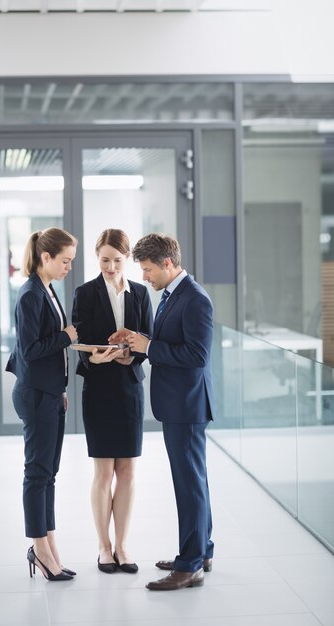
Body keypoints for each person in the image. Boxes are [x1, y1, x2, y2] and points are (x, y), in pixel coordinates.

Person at [110, 233, 215, 591]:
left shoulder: (196, 299)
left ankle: (190, 566)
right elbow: (168, 342)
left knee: (189, 485)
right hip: (179, 403)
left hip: (187, 405)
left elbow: (197, 357)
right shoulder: (173, 294)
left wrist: (150, 345)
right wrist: (137, 340)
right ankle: (202, 551)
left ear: (168, 264)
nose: (145, 277)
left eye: (149, 269)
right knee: (194, 481)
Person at [72, 228, 153, 574]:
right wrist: (99, 357)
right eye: (104, 260)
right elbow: (80, 341)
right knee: (103, 471)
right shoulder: (85, 293)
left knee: (128, 470)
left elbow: (148, 338)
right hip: (100, 387)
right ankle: (104, 547)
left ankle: (122, 545)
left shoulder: (140, 294)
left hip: (130, 387)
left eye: (117, 260)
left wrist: (131, 355)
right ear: (97, 258)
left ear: (126, 259)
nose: (110, 266)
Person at [6, 227, 78, 582]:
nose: (68, 267)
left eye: (71, 262)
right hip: (35, 395)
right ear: (45, 257)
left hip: (49, 392)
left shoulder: (47, 290)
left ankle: (49, 544)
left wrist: (61, 386)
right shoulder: (30, 295)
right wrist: (66, 336)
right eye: (65, 261)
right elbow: (31, 350)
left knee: (49, 473)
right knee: (37, 473)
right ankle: (40, 548)